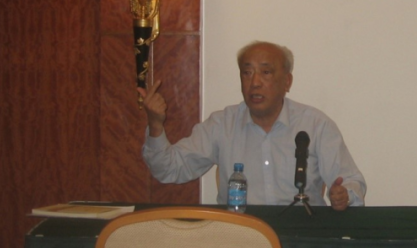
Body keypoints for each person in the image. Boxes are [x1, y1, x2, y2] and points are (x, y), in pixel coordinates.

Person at [140, 41, 366, 209]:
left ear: (287, 81)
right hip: (241, 239)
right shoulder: (222, 125)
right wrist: (156, 126)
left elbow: (351, 181)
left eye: (266, 72)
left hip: (303, 237)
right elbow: (170, 169)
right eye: (247, 73)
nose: (255, 82)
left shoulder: (315, 125)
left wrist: (344, 195)